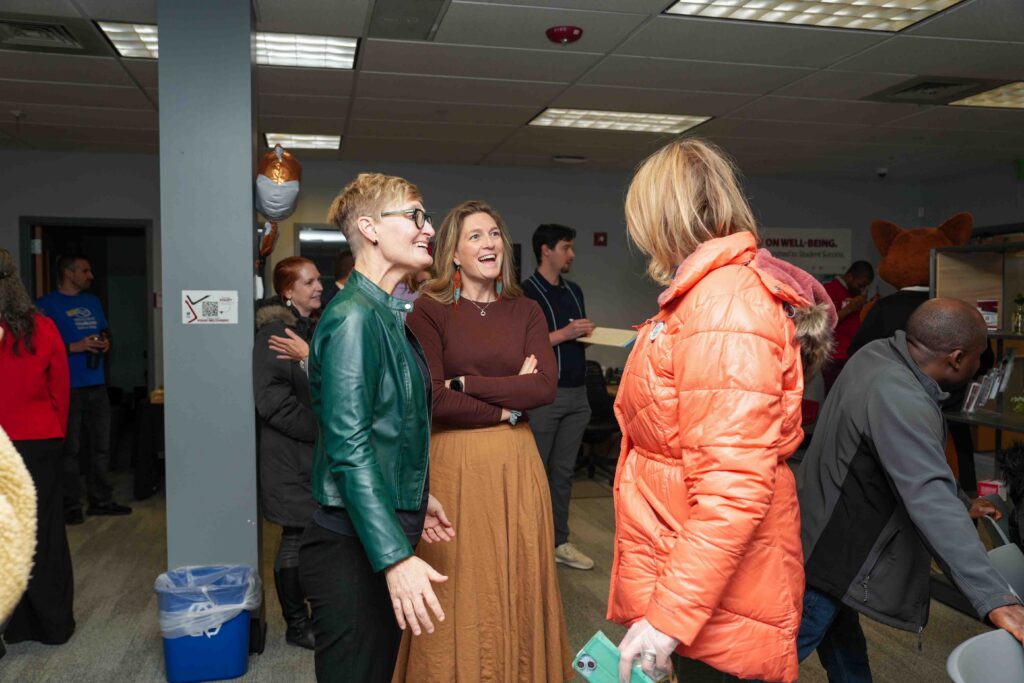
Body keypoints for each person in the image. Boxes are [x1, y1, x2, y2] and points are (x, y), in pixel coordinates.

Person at [608, 138, 835, 683]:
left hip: (724, 592)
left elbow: (733, 486)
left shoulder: (726, 302)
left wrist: (668, 619)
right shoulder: (704, 295)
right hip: (697, 575)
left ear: (661, 216)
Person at [797, 298, 1024, 681]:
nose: (981, 365)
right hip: (837, 553)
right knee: (778, 659)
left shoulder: (878, 355)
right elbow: (928, 497)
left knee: (844, 650)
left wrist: (960, 501)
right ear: (956, 358)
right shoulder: (898, 394)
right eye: (979, 356)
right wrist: (995, 598)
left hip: (817, 531)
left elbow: (907, 457)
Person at [394, 200, 573, 682]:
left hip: (518, 464)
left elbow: (544, 387)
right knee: (459, 584)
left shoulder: (527, 309)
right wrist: (506, 403)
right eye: (475, 236)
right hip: (456, 466)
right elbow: (431, 398)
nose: (489, 243)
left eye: (493, 233)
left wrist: (466, 383)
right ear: (452, 252)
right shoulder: (428, 310)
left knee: (518, 579)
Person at [299, 173, 453, 683]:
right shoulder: (354, 319)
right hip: (351, 545)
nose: (427, 227)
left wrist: (413, 492)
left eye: (424, 216)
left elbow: (391, 423)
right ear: (368, 227)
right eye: (413, 215)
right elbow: (348, 447)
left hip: (376, 524)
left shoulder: (384, 314)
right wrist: (394, 560)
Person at [0, 248, 75, 647]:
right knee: (42, 533)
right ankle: (51, 625)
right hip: (36, 442)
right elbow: (59, 388)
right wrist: (56, 434)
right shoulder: (39, 326)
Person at [253, 256, 323, 650]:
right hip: (289, 458)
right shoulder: (275, 334)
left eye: (317, 280)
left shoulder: (306, 328)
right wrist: (323, 430)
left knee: (309, 538)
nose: (318, 287)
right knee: (295, 539)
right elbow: (272, 402)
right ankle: (297, 626)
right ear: (287, 291)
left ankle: (312, 615)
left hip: (307, 457)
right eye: (309, 282)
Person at [522, 223, 596, 570]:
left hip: (577, 394)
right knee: (535, 473)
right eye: (566, 247)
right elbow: (522, 346)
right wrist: (566, 333)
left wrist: (583, 336)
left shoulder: (575, 290)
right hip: (543, 396)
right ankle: (527, 542)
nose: (572, 255)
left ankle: (559, 541)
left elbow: (571, 338)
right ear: (546, 250)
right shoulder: (525, 293)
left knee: (564, 473)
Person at [36, 255, 131, 524]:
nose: (90, 275)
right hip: (66, 388)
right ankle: (70, 505)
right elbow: (38, 348)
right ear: (68, 273)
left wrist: (105, 343)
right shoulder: (45, 306)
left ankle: (101, 500)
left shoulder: (92, 302)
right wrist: (73, 347)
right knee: (70, 450)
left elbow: (105, 331)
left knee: (102, 447)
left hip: (96, 384)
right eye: (85, 270)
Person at [822, 261, 875, 393]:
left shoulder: (856, 295)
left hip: (853, 355)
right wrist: (850, 309)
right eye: (860, 285)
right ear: (850, 277)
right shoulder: (829, 290)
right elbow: (824, 323)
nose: (862, 290)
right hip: (835, 357)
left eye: (865, 287)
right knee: (835, 397)